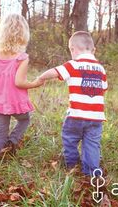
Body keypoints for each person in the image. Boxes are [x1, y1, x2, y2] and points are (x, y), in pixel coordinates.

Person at [38, 31, 107, 176]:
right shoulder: (101, 69)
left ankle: (72, 165)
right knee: (92, 144)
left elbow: (55, 72)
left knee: (69, 138)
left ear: (72, 49)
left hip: (76, 115)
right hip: (96, 117)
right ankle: (91, 172)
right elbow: (104, 89)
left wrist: (41, 78)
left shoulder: (73, 64)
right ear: (93, 50)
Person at [0, 14, 43, 158]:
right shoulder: (21, 57)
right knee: (24, 119)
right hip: (15, 102)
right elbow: (19, 82)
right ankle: (12, 141)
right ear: (23, 34)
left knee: (0, 129)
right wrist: (35, 83)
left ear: (1, 33)